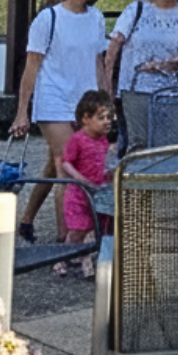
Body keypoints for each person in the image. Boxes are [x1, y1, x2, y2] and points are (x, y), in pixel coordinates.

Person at [9, 0, 108, 244]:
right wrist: (21, 112)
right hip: (54, 100)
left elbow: (98, 62)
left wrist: (104, 102)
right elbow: (32, 66)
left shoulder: (97, 17)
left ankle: (26, 220)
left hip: (86, 103)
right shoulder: (49, 18)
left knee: (55, 166)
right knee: (68, 169)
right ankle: (66, 241)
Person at [53, 90, 115, 278]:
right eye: (101, 117)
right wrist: (79, 179)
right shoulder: (77, 139)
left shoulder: (104, 141)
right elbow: (66, 162)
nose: (107, 122)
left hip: (98, 192)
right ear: (86, 118)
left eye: (109, 117)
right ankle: (60, 260)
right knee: (77, 231)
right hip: (79, 194)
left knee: (94, 229)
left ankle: (86, 262)